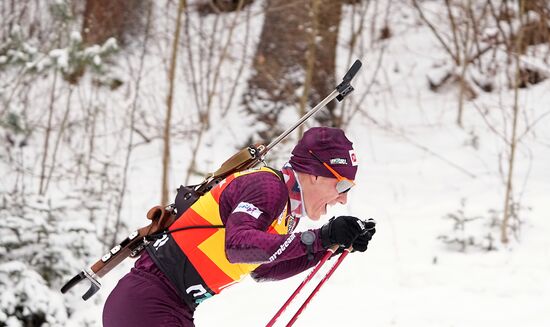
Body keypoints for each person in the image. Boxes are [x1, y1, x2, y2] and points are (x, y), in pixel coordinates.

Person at [103, 127, 375, 326]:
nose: (343, 198)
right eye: (342, 185)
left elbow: (265, 269)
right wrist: (320, 237)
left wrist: (329, 245)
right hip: (147, 303)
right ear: (315, 174)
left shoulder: (285, 214)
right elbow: (238, 246)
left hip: (166, 307)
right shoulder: (267, 186)